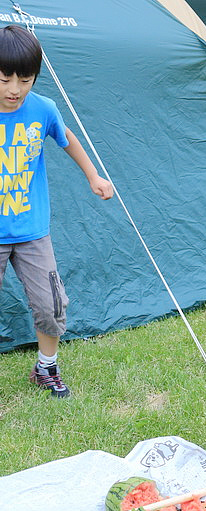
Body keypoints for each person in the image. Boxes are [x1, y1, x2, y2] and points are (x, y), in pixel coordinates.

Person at [0, 25, 113, 397]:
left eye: (25, 79)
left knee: (51, 305)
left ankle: (46, 367)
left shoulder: (43, 109)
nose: (14, 89)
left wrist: (93, 176)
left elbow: (68, 139)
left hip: (33, 230)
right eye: (4, 79)